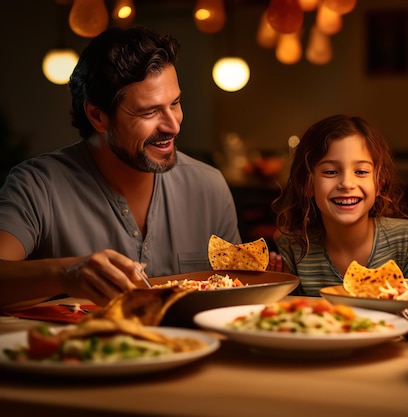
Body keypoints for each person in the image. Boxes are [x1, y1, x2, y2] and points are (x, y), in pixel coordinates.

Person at [0, 26, 241, 309]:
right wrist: (65, 274)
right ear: (98, 116)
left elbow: (237, 294)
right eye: (149, 112)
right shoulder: (36, 185)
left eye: (175, 103)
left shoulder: (209, 186)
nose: (173, 125)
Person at [272, 114, 408, 296]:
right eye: (331, 172)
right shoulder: (296, 247)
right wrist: (276, 288)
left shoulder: (403, 241)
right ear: (307, 184)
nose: (347, 183)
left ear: (379, 182)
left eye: (361, 171)